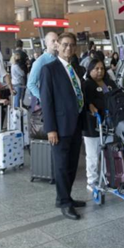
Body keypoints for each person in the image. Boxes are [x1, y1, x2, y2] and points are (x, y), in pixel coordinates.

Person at [40, 32, 86, 220]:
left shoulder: (75, 68)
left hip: (76, 124)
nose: (69, 48)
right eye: (65, 44)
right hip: (59, 127)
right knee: (61, 166)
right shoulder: (49, 69)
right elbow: (46, 101)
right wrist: (51, 129)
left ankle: (66, 197)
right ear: (57, 45)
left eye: (72, 45)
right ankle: (64, 202)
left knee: (72, 164)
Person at [82, 59, 117, 191]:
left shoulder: (109, 83)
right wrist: (90, 105)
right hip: (92, 125)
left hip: (109, 125)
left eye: (102, 68)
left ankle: (108, 177)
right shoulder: (86, 85)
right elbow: (84, 102)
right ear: (90, 70)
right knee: (93, 155)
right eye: (96, 68)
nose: (100, 71)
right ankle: (92, 181)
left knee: (108, 153)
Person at [27, 32, 58, 101]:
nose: (56, 43)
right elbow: (31, 84)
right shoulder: (40, 61)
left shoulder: (59, 58)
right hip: (50, 101)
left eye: (57, 41)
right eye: (53, 41)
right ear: (46, 43)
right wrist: (44, 98)